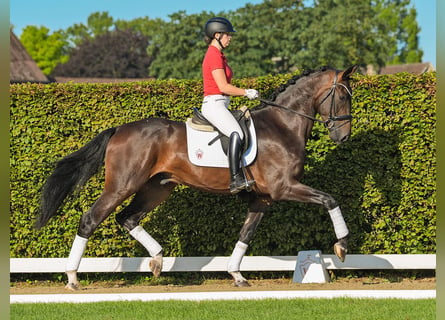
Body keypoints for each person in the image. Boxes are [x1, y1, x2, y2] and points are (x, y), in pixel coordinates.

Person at [201, 17, 258, 194]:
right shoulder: (213, 55)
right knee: (237, 133)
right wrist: (246, 92)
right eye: (227, 35)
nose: (230, 38)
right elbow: (223, 87)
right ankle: (235, 179)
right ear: (217, 35)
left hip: (221, 104)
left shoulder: (219, 55)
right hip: (214, 105)